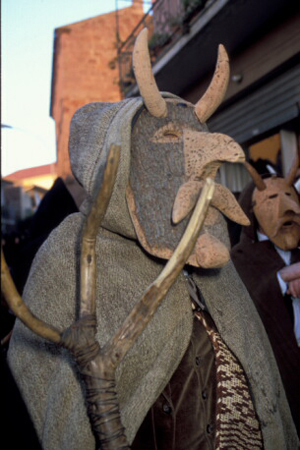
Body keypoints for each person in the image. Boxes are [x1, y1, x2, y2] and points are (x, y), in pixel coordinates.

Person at [6, 29, 298, 449]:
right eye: (166, 139)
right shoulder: (73, 258)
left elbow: (266, 385)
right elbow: (52, 409)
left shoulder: (216, 262)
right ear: (121, 161)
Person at [231, 161, 300, 436]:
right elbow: (247, 302)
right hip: (280, 370)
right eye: (271, 198)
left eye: (290, 196)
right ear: (252, 209)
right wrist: (283, 280)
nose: (288, 208)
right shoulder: (241, 257)